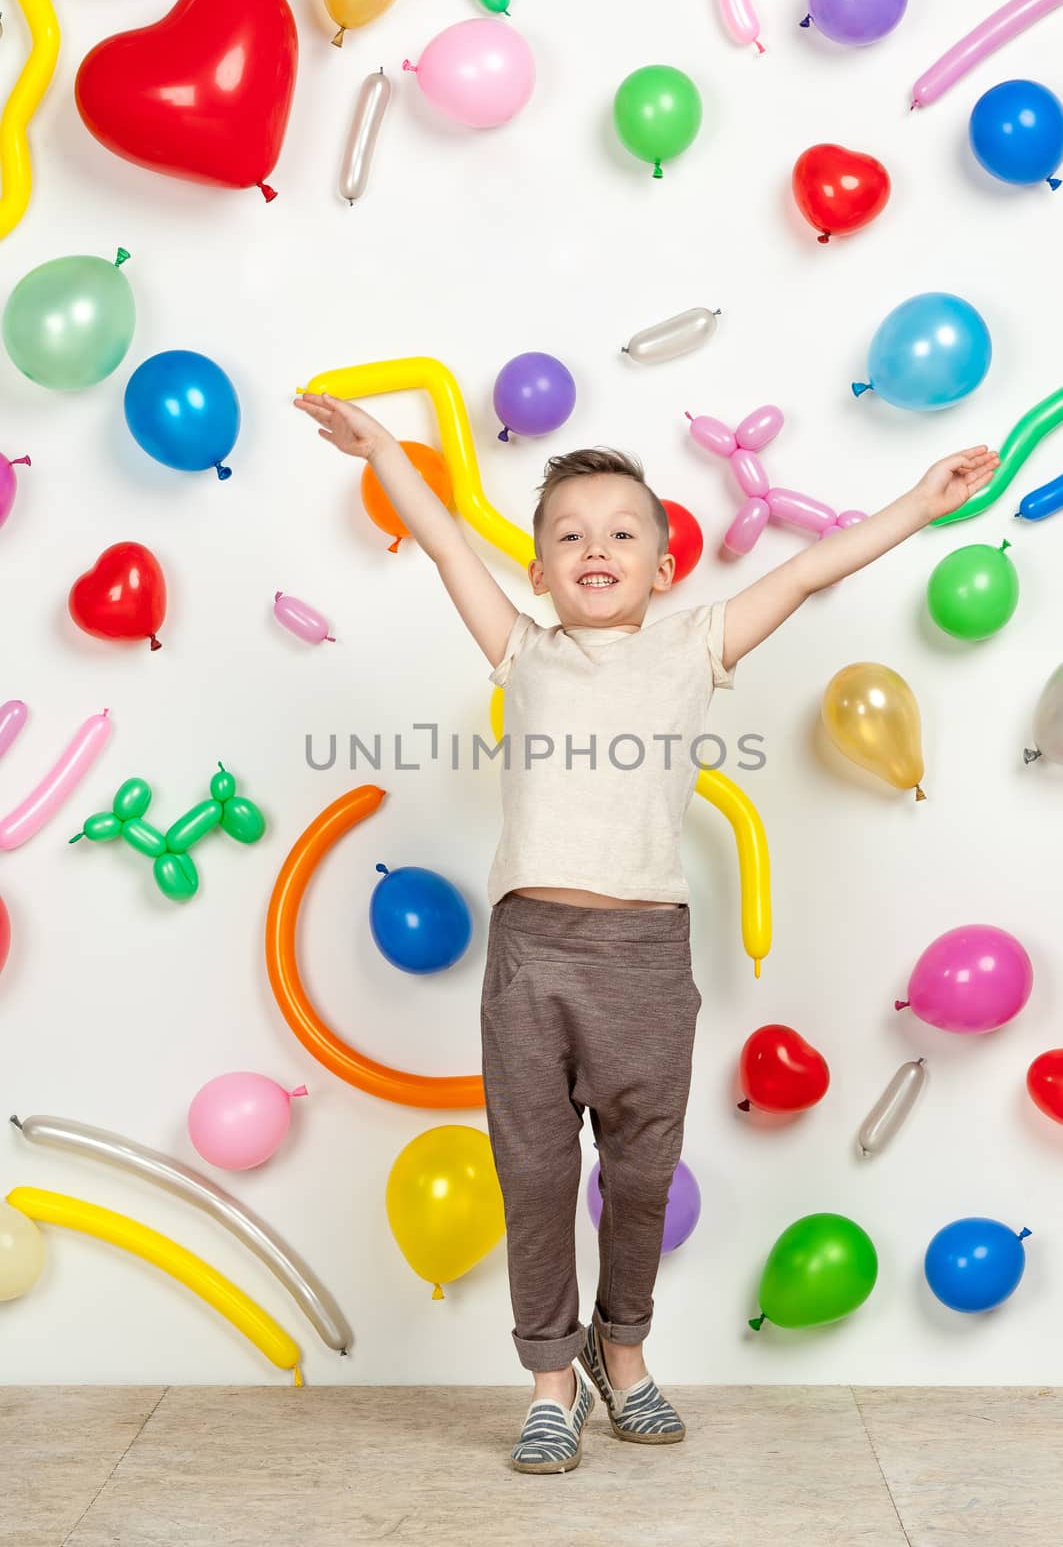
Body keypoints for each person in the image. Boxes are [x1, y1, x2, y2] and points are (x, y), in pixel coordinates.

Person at [294, 391, 998, 1473]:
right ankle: (547, 1382)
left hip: (643, 960)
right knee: (530, 1170)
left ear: (665, 567)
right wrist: (385, 448)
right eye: (567, 533)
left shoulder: (690, 646)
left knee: (638, 1173)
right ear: (535, 571)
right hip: (531, 951)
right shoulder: (519, 652)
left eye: (623, 531)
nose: (594, 547)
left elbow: (809, 572)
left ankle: (622, 1359)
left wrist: (917, 501)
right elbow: (439, 542)